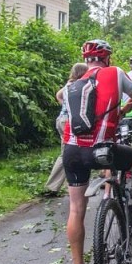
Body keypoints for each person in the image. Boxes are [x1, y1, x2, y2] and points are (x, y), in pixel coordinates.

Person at [62, 39, 132, 264]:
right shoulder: (115, 73)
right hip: (102, 150)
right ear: (107, 58)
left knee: (76, 209)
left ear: (85, 60)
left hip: (72, 152)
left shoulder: (72, 85)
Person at [43, 62, 89, 196]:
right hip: (68, 122)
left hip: (61, 119)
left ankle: (64, 183)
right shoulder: (79, 85)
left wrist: (66, 105)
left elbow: (58, 95)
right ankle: (52, 187)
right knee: (66, 153)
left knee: (70, 151)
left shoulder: (69, 84)